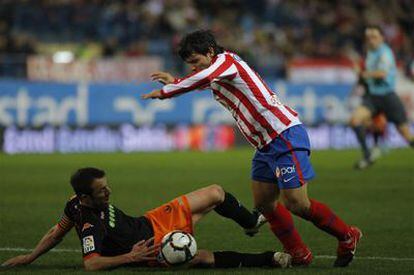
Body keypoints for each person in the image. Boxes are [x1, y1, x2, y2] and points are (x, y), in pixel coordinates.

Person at [142, 30, 361, 267]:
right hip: (264, 145)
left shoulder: (226, 62)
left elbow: (203, 77)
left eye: (196, 61)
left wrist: (168, 91)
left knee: (296, 203)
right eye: (190, 64)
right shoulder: (215, 72)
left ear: (210, 52)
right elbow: (203, 80)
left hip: (284, 134)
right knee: (265, 204)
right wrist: (175, 81)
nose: (194, 68)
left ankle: (347, 235)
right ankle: (298, 252)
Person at [1, 167, 291, 271]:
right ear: (86, 197)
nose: (109, 192)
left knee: (215, 193)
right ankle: (269, 259)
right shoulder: (91, 223)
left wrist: (31, 256)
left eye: (107, 185)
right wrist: (131, 257)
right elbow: (91, 264)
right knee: (201, 258)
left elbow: (57, 231)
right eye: (102, 191)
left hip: (149, 220)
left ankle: (250, 223)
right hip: (151, 243)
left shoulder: (73, 205)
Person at [350, 25, 414, 169]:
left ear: (382, 38)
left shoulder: (385, 52)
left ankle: (373, 150)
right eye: (368, 37)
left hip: (388, 97)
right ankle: (368, 156)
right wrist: (359, 74)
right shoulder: (369, 54)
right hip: (372, 97)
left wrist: (362, 74)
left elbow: (382, 73)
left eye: (374, 37)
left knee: (407, 135)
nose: (371, 40)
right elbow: (366, 79)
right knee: (354, 121)